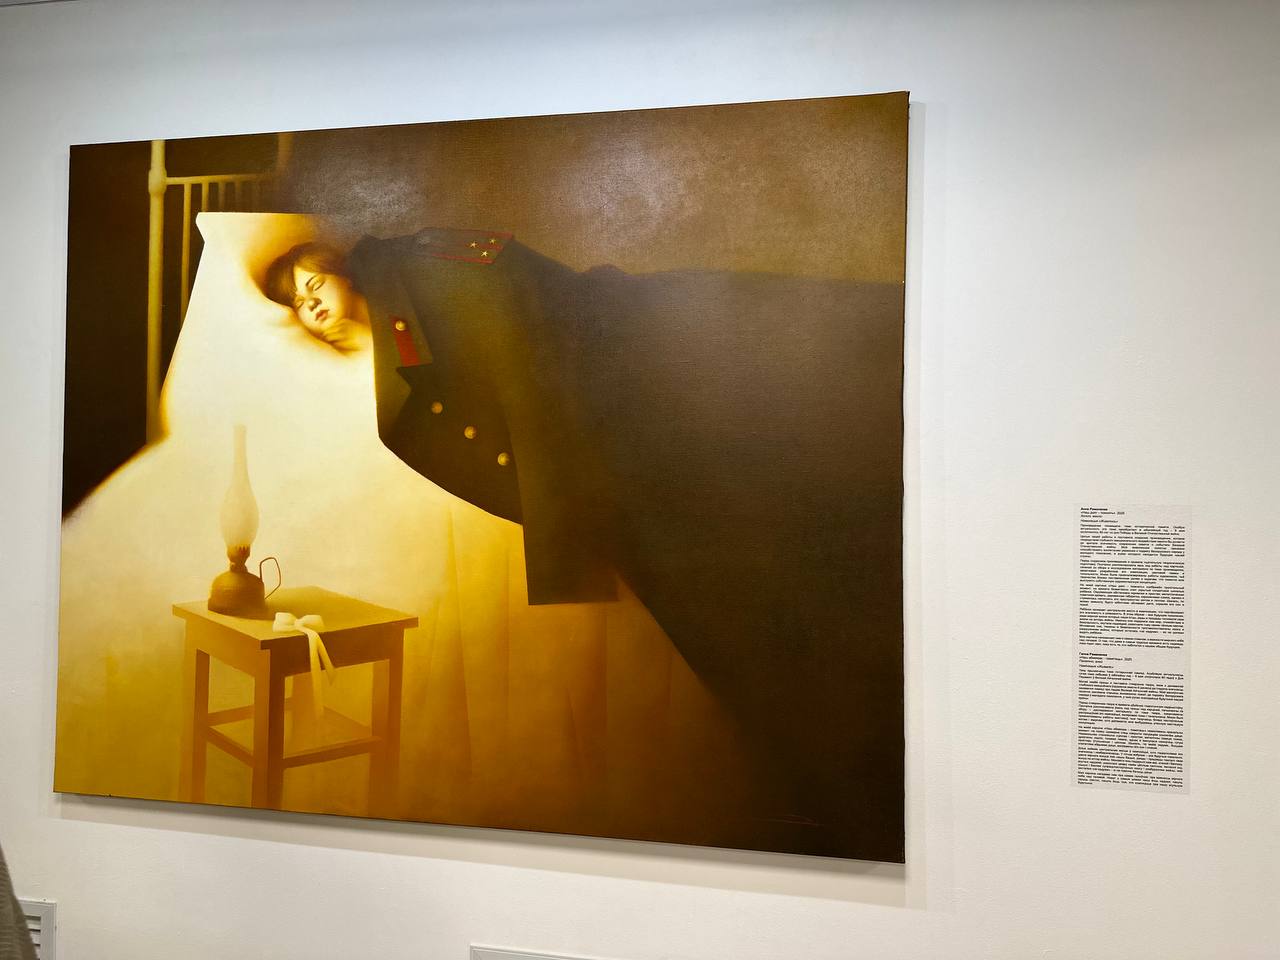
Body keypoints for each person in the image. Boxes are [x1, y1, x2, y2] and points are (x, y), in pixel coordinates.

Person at [266, 226, 906, 860]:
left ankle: (867, 798)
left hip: (654, 395)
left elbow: (530, 363)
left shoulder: (424, 267)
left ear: (346, 271)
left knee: (806, 538)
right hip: (625, 465)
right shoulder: (399, 326)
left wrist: (563, 552)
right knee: (757, 618)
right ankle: (853, 801)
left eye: (315, 283)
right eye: (297, 301)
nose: (310, 302)